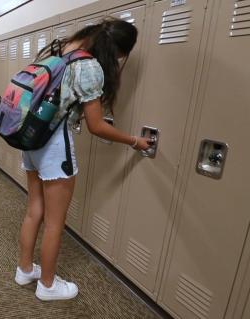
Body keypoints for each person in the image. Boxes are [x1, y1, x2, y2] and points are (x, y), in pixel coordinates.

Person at [15, 18, 151, 301]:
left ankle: (25, 269)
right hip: (54, 146)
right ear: (118, 52)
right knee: (55, 222)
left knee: (34, 210)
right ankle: (48, 286)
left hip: (31, 137)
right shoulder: (90, 67)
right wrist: (133, 140)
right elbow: (96, 126)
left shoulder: (64, 49)